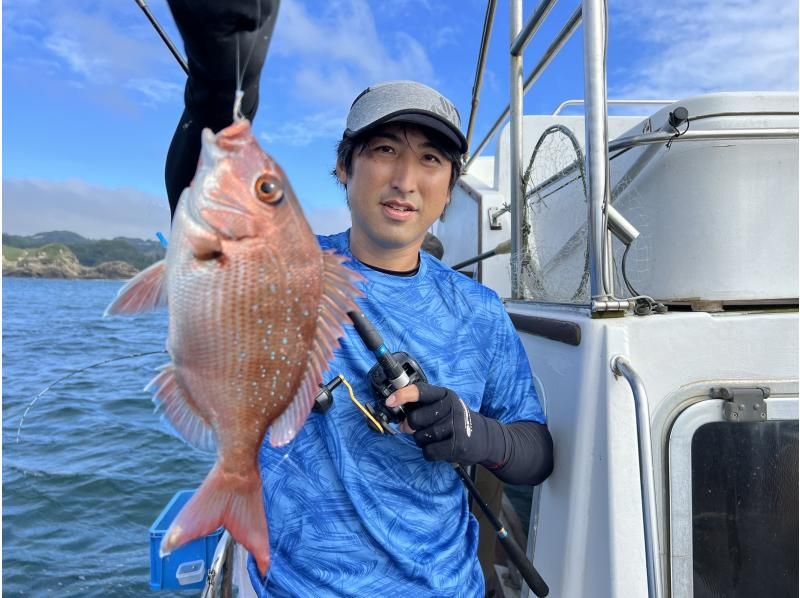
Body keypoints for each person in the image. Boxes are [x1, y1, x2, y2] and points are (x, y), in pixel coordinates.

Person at [162, 4, 553, 595]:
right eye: (384, 150)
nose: (405, 179)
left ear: (450, 188)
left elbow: (537, 451)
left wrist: (473, 432)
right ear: (344, 166)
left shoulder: (480, 312)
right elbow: (206, 198)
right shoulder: (279, 262)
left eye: (430, 159)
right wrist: (217, 84)